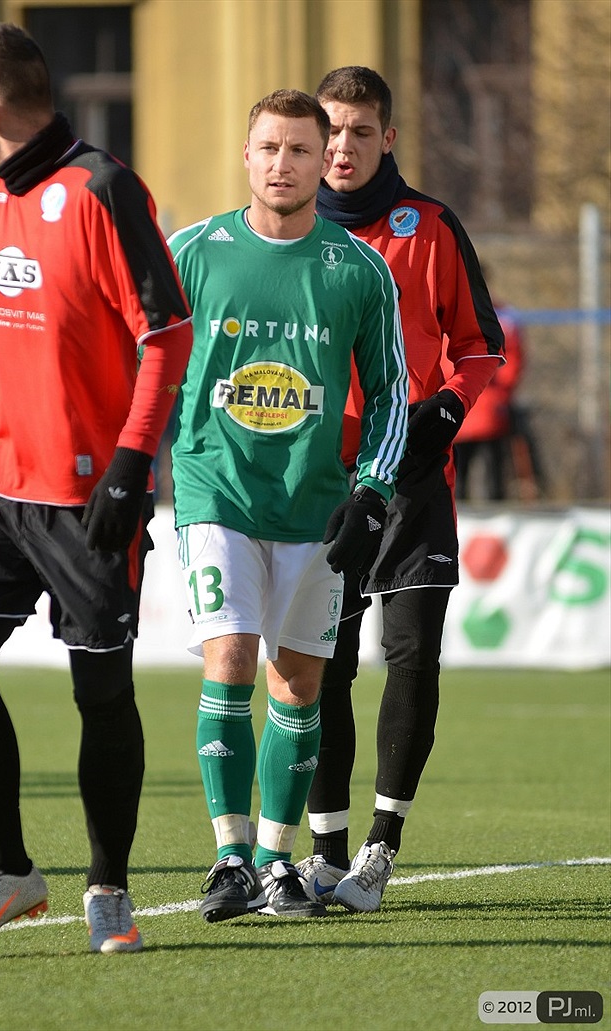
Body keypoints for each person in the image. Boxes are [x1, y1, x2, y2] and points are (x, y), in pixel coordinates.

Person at [0, 23, 192, 956]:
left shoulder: (104, 189)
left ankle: (108, 885)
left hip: (90, 498)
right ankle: (8, 872)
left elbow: (167, 334)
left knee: (100, 690)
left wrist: (132, 462)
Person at [167, 89, 409, 922]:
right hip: (216, 489)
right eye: (269, 147)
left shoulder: (360, 268)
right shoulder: (192, 253)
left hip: (315, 504)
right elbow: (144, 362)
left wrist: (373, 491)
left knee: (299, 683)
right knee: (231, 656)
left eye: (300, 149)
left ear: (322, 161)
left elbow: (392, 391)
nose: (283, 163)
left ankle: (275, 861)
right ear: (247, 155)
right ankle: (230, 856)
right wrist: (130, 464)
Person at [296, 66, 504, 912]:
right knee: (326, 666)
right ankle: (323, 852)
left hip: (415, 480)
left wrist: (447, 409)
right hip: (321, 484)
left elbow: (481, 346)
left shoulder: (431, 226)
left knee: (412, 656)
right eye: (331, 132)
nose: (342, 148)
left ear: (388, 138)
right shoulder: (286, 233)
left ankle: (381, 847)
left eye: (360, 131)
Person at [453, 278, 526, 501]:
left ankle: (463, 511)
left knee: (463, 474)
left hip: (469, 404)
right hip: (474, 404)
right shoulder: (502, 316)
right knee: (487, 473)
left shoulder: (502, 316)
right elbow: (514, 360)